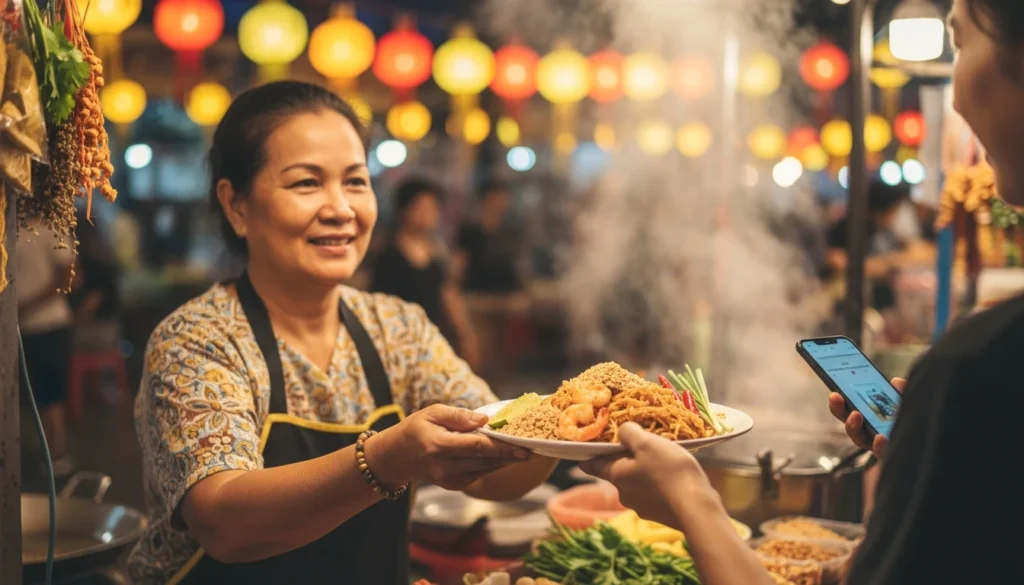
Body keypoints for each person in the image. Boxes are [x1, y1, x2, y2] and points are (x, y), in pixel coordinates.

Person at [583, 2, 1023, 583]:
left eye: (960, 44)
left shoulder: (980, 366)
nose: (955, 100)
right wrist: (925, 462)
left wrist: (691, 500)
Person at [127, 81, 555, 585]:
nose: (341, 209)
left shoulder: (399, 328)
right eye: (307, 183)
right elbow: (224, 523)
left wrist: (570, 426)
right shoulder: (198, 340)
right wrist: (385, 461)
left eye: (355, 182)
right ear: (236, 205)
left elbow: (498, 467)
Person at [369, 178, 481, 369]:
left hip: (436, 342)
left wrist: (466, 334)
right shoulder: (389, 256)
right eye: (421, 208)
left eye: (433, 208)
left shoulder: (436, 253)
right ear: (404, 210)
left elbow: (449, 294)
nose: (429, 215)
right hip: (400, 347)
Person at [17, 222, 76, 476]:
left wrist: (26, 305)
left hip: (49, 324)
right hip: (19, 328)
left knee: (50, 397)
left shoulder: (51, 226)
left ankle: (57, 456)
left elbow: (69, 276)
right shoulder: (9, 224)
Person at [454, 180, 524, 295]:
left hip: (508, 291)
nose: (500, 203)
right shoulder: (470, 231)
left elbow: (517, 264)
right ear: (485, 199)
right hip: (477, 291)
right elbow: (461, 262)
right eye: (495, 198)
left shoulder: (511, 232)